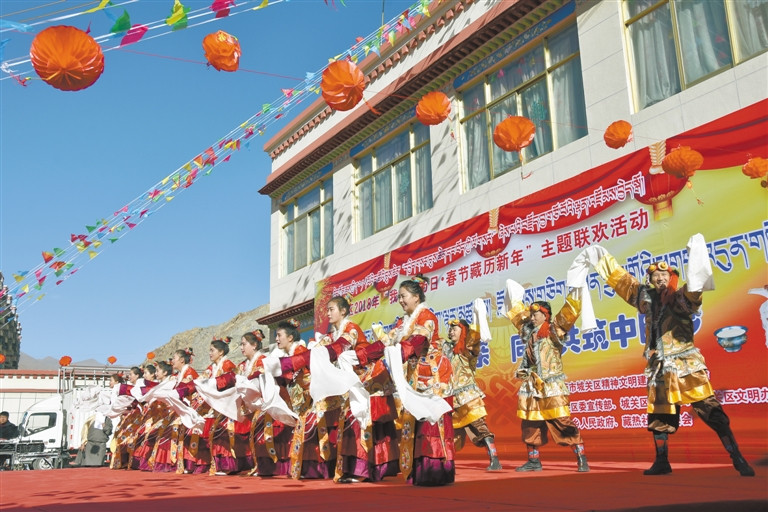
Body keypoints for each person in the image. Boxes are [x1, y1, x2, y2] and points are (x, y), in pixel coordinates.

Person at [585, 241, 755, 476]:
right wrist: (600, 257)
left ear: (672, 277)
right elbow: (623, 282)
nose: (660, 279)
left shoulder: (681, 298)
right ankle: (662, 462)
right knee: (659, 416)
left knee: (710, 410)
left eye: (664, 275)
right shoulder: (645, 299)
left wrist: (696, 256)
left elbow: (695, 289)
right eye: (655, 276)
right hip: (659, 368)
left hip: (686, 365)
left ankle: (737, 456)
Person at [505, 280, 589, 473]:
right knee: (530, 422)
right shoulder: (528, 332)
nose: (532, 317)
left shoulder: (553, 330)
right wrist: (512, 293)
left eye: (535, 314)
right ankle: (533, 461)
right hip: (532, 385)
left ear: (546, 315)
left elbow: (568, 313)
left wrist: (577, 288)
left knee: (562, 421)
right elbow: (517, 316)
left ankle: (581, 457)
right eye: (531, 314)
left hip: (551, 385)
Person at [386, 277, 455, 486]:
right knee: (415, 423)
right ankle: (418, 471)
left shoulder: (426, 316)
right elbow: (388, 342)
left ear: (416, 297)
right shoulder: (403, 322)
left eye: (403, 296)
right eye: (399, 297)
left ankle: (435, 472)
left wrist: (399, 353)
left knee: (431, 424)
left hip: (433, 377)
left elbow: (417, 341)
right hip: (416, 377)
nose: (400, 300)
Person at [445, 318, 501, 471]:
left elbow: (474, 337)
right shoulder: (446, 349)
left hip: (468, 396)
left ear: (463, 332)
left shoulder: (467, 349)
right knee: (451, 433)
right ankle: (447, 463)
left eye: (454, 329)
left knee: (480, 427)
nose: (451, 332)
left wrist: (478, 316)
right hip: (452, 399)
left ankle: (494, 459)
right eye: (450, 329)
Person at [241, 330, 293, 477]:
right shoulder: (244, 365)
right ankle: (262, 467)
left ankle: (277, 467)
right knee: (258, 433)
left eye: (244, 344)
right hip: (258, 403)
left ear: (254, 345)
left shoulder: (263, 360)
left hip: (271, 400)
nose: (241, 348)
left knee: (270, 431)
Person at [204, 337, 252, 475]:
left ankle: (230, 465)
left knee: (227, 434)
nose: (210, 353)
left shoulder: (228, 365)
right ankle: (220, 465)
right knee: (217, 434)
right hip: (216, 405)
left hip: (228, 403)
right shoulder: (210, 368)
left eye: (212, 350)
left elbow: (230, 383)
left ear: (220, 352)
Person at [111, 366, 145, 469]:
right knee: (121, 435)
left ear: (137, 375)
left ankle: (133, 462)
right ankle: (124, 461)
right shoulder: (132, 387)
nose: (129, 376)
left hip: (139, 415)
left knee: (131, 437)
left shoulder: (141, 386)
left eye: (131, 374)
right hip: (131, 415)